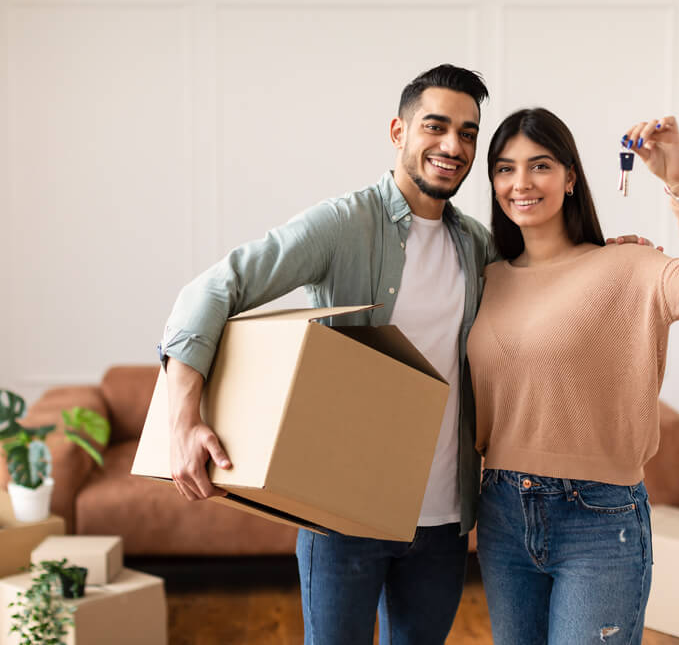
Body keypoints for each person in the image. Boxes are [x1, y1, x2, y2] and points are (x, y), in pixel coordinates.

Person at [159, 66, 651, 645]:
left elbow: (545, 277)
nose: (452, 146)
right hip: (342, 514)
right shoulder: (344, 225)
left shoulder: (477, 245)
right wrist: (182, 419)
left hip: (442, 523)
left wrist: (602, 257)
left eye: (467, 133)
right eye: (435, 127)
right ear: (399, 132)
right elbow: (215, 289)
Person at [466, 108, 679, 645]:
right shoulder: (486, 278)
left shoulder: (626, 267)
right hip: (501, 511)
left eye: (540, 165)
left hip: (598, 517)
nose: (521, 183)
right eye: (505, 168)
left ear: (570, 178)